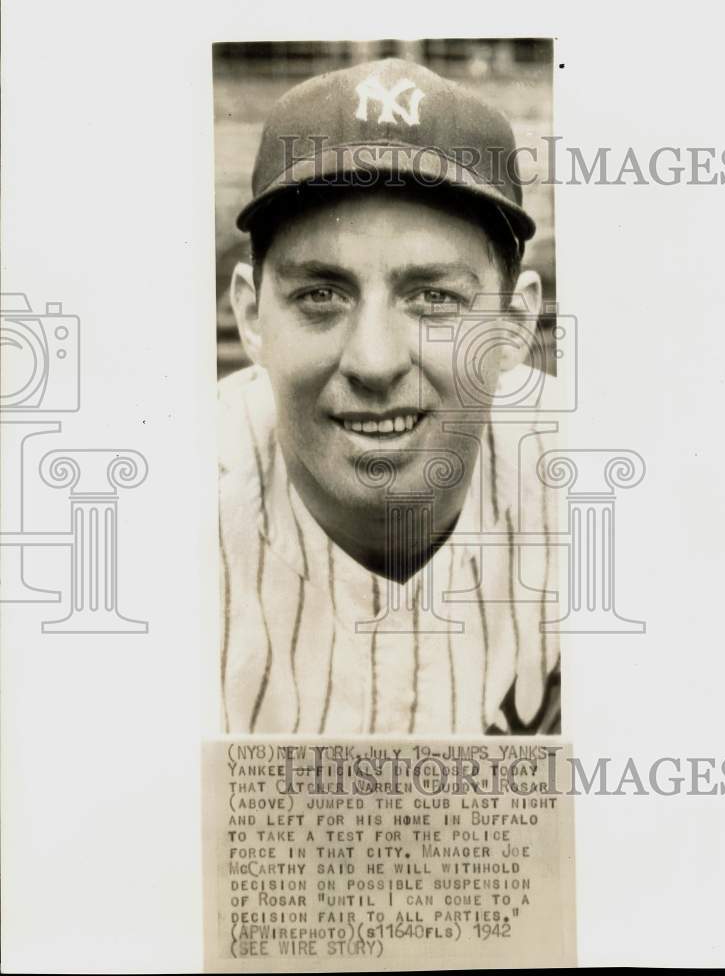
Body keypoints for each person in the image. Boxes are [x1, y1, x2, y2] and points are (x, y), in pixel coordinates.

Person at [219, 57, 560, 735]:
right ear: (253, 317)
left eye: (434, 298)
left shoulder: (615, 495)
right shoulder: (150, 520)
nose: (374, 360)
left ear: (514, 327)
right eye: (320, 295)